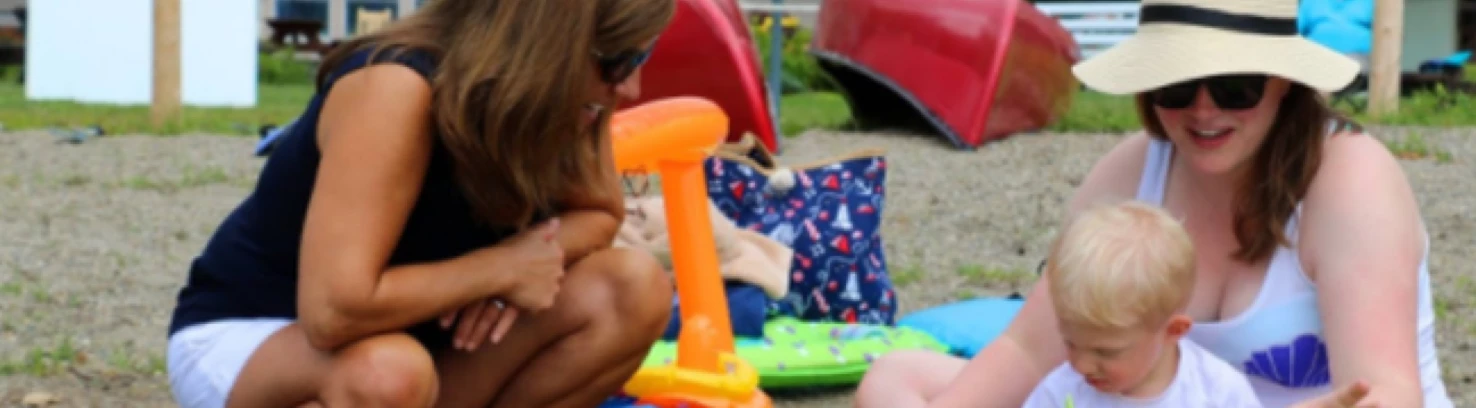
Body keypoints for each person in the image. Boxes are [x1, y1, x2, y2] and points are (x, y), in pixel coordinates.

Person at [854, 0, 1455, 406]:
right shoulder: (1133, 169)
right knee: (895, 377)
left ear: (1284, 86)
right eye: (1176, 84)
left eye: (1235, 87)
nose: (1203, 108)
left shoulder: (1348, 179)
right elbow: (1029, 347)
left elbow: (1385, 393)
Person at [164, 1, 677, 407]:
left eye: (642, 58)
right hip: (266, 332)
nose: (631, 86)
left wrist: (518, 271)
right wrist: (500, 271)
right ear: (548, 42)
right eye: (619, 60)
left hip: (417, 341)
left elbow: (600, 213)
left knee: (631, 288)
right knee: (388, 375)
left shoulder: (577, 98)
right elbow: (333, 311)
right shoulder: (395, 84)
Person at [1020, 201, 1260, 408]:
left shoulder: (1217, 393)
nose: (1082, 366)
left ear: (1173, 330)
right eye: (1071, 343)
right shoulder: (1062, 391)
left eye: (1105, 352)